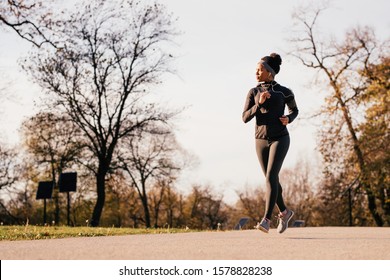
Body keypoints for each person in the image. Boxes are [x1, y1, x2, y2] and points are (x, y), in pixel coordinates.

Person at [242, 53, 299, 233]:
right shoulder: (253, 92)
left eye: (259, 70)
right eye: (256, 70)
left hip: (280, 138)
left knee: (270, 177)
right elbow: (245, 117)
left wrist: (288, 118)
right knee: (271, 180)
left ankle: (266, 220)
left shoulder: (284, 91)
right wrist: (259, 104)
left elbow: (295, 110)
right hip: (260, 140)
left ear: (269, 72)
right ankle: (285, 211)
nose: (256, 73)